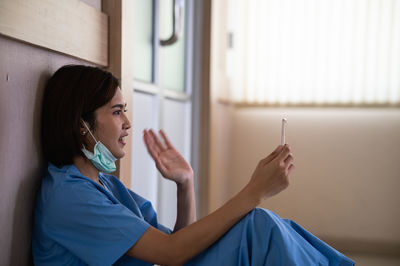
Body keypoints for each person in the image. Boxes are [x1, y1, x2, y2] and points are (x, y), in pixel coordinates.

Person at [32, 65, 354, 266]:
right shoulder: (68, 198)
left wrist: (186, 184)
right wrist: (255, 191)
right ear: (81, 126)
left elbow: (177, 248)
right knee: (257, 230)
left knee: (259, 228)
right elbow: (173, 254)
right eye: (117, 112)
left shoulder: (106, 186)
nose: (127, 123)